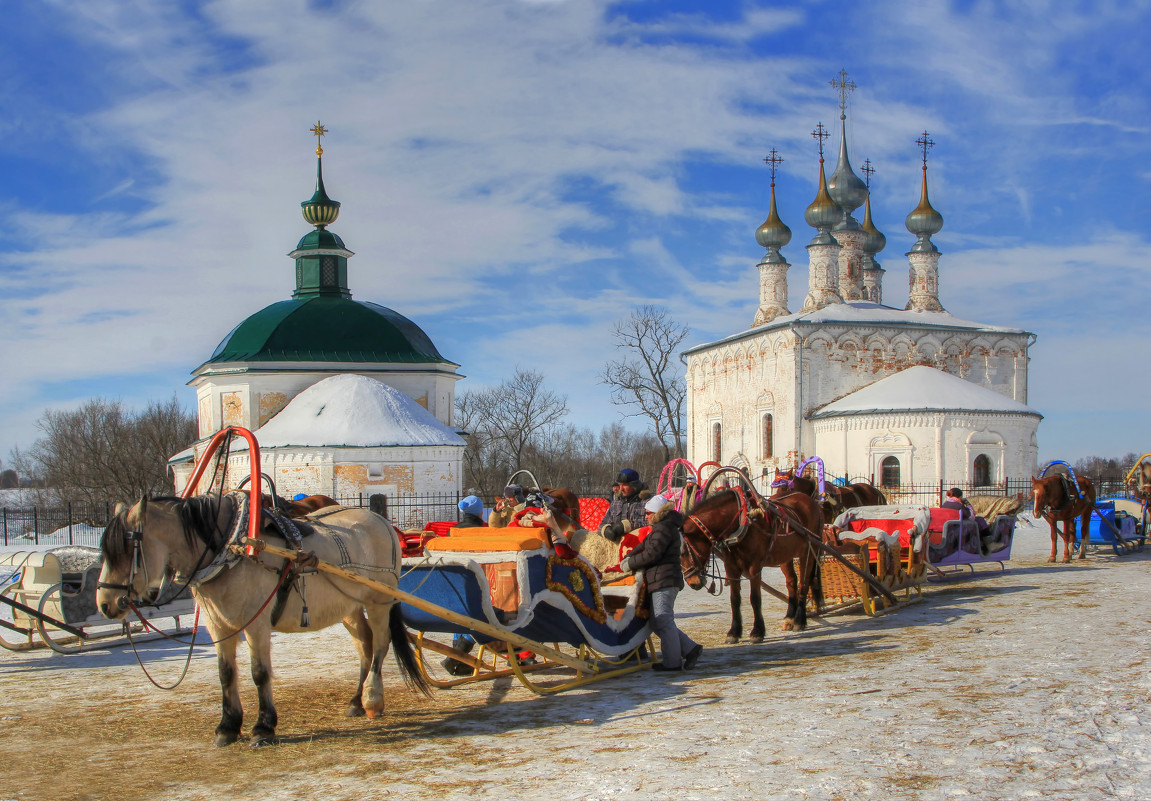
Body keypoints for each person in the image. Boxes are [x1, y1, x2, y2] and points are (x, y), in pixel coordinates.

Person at [606, 494, 702, 672]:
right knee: (657, 622)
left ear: (658, 513)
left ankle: (672, 663)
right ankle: (690, 649)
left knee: (663, 620)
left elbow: (652, 554)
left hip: (664, 580)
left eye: (648, 513)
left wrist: (629, 563)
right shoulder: (662, 528)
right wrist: (629, 555)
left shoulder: (664, 529)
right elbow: (644, 546)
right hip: (661, 579)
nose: (646, 516)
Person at [599, 468, 652, 542]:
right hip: (619, 549)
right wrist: (605, 530)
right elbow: (603, 523)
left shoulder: (648, 502)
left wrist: (628, 526)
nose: (621, 488)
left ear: (634, 485)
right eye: (619, 484)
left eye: (624, 485)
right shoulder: (616, 503)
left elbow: (655, 525)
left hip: (641, 547)